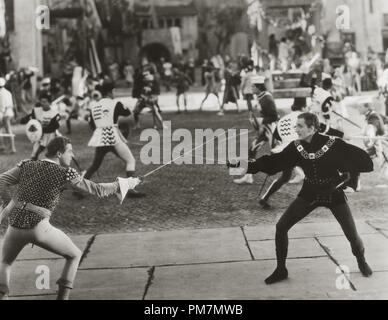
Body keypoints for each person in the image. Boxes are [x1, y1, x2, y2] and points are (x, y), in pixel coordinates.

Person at [228, 112, 374, 284]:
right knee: (281, 227)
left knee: (352, 235)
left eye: (300, 126)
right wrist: (244, 165)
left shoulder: (334, 144)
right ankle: (281, 270)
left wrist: (347, 177)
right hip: (310, 192)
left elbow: (364, 161)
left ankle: (361, 260)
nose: (295, 129)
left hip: (333, 193)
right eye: (295, 125)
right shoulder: (296, 147)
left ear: (312, 128)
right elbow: (273, 161)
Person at [0, 137, 141, 300]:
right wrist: (124, 184)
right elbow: (97, 189)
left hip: (14, 227)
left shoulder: (26, 165)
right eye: (70, 151)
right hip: (39, 227)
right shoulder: (65, 173)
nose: (72, 155)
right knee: (74, 255)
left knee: (5, 263)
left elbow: (1, 180)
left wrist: (11, 204)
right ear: (59, 153)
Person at [84, 82, 144, 198]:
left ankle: (79, 187)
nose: (114, 93)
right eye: (114, 91)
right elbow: (127, 113)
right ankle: (130, 189)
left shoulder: (94, 106)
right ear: (110, 92)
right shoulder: (115, 103)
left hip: (100, 137)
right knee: (130, 160)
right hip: (112, 135)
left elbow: (91, 125)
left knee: (95, 165)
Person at [234, 75, 279, 185]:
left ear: (258, 87)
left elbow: (274, 116)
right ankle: (248, 176)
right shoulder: (261, 96)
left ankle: (300, 173)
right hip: (265, 130)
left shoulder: (267, 98)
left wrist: (261, 123)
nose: (251, 89)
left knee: (281, 152)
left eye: (253, 87)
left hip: (272, 130)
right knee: (252, 149)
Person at [20, 92, 61, 160]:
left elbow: (55, 126)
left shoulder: (55, 113)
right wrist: (24, 120)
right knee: (34, 154)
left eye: (44, 102)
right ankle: (34, 167)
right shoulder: (36, 111)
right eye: (41, 101)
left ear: (49, 102)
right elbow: (31, 118)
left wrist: (43, 128)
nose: (42, 103)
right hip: (41, 136)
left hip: (52, 135)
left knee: (56, 155)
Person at [0, 77, 16, 154]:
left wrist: (1, 115)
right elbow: (11, 104)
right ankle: (8, 146)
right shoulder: (8, 92)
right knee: (8, 129)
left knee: (7, 129)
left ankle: (7, 147)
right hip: (10, 112)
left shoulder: (0, 93)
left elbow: (3, 106)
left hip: (4, 113)